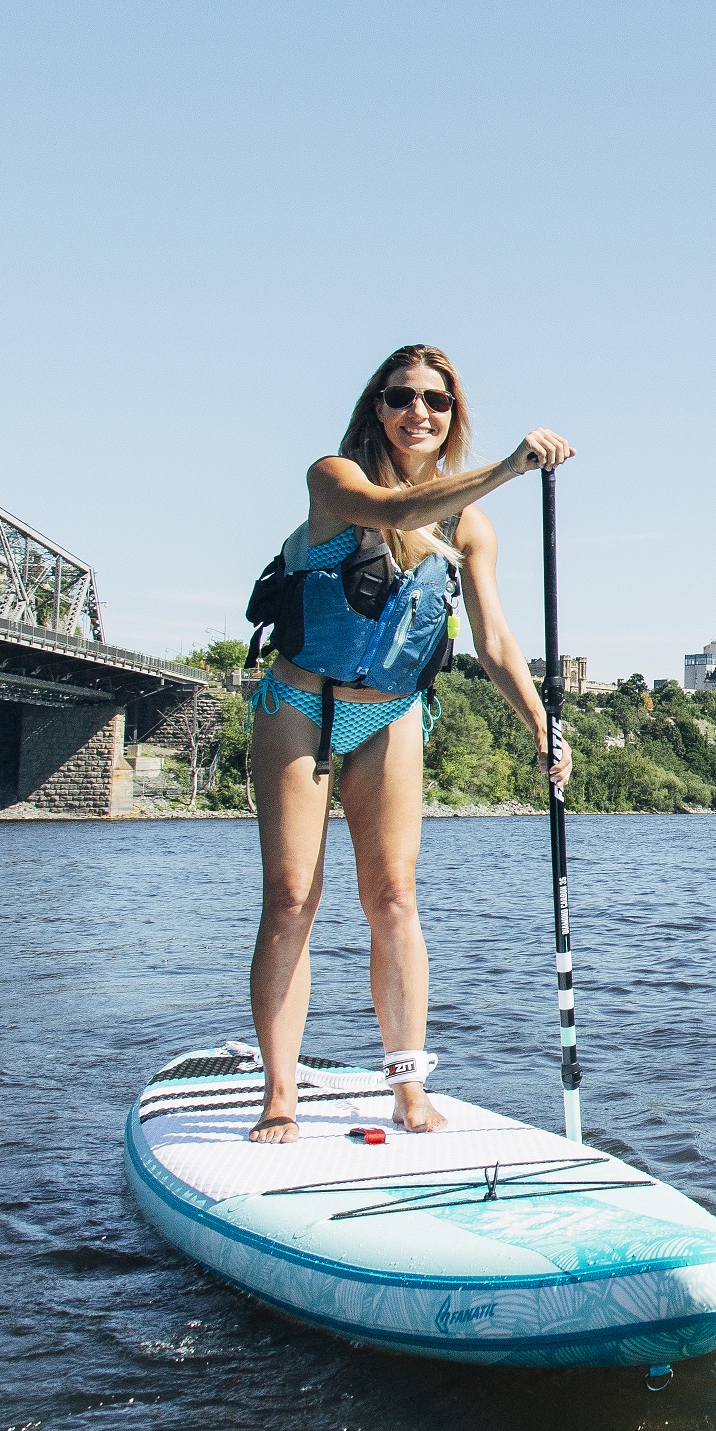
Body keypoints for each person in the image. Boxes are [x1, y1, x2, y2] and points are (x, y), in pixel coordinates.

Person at [244, 344, 573, 1144]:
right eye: (401, 397)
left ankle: (406, 1085)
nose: (417, 412)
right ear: (377, 407)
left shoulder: (469, 525)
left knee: (394, 897)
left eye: (436, 399)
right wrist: (508, 467)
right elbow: (392, 516)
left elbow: (495, 641)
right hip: (302, 705)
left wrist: (542, 725)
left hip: (392, 713)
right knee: (292, 899)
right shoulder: (334, 478)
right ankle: (280, 1095)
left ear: (453, 415)